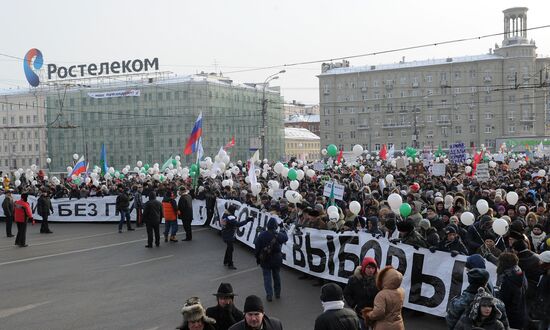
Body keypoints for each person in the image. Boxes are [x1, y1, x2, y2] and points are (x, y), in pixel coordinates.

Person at [254, 218, 288, 302]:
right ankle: (277, 293)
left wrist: (258, 257)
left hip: (265, 259)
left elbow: (257, 247)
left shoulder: (262, 235)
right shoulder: (278, 235)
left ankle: (269, 294)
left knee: (267, 277)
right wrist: (283, 229)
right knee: (276, 276)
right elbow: (285, 238)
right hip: (277, 258)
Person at [361, 266, 405, 330]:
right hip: (399, 325)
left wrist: (369, 314)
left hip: (384, 326)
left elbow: (379, 313)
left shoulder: (382, 295)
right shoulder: (402, 291)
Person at [494, 252, 528, 330]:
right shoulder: (519, 274)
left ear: (503, 264)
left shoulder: (507, 281)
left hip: (510, 317)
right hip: (520, 314)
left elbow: (503, 301)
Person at [344, 256, 379, 322]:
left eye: (373, 268)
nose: (371, 270)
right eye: (368, 267)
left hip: (374, 314)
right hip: (358, 314)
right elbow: (346, 294)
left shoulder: (378, 281)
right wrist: (354, 305)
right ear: (363, 267)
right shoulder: (354, 279)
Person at [221, 205, 253, 269]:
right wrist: (247, 220)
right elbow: (238, 224)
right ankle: (230, 264)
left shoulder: (225, 214)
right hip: (229, 235)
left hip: (225, 233)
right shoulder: (230, 218)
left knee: (229, 248)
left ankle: (226, 261)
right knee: (230, 249)